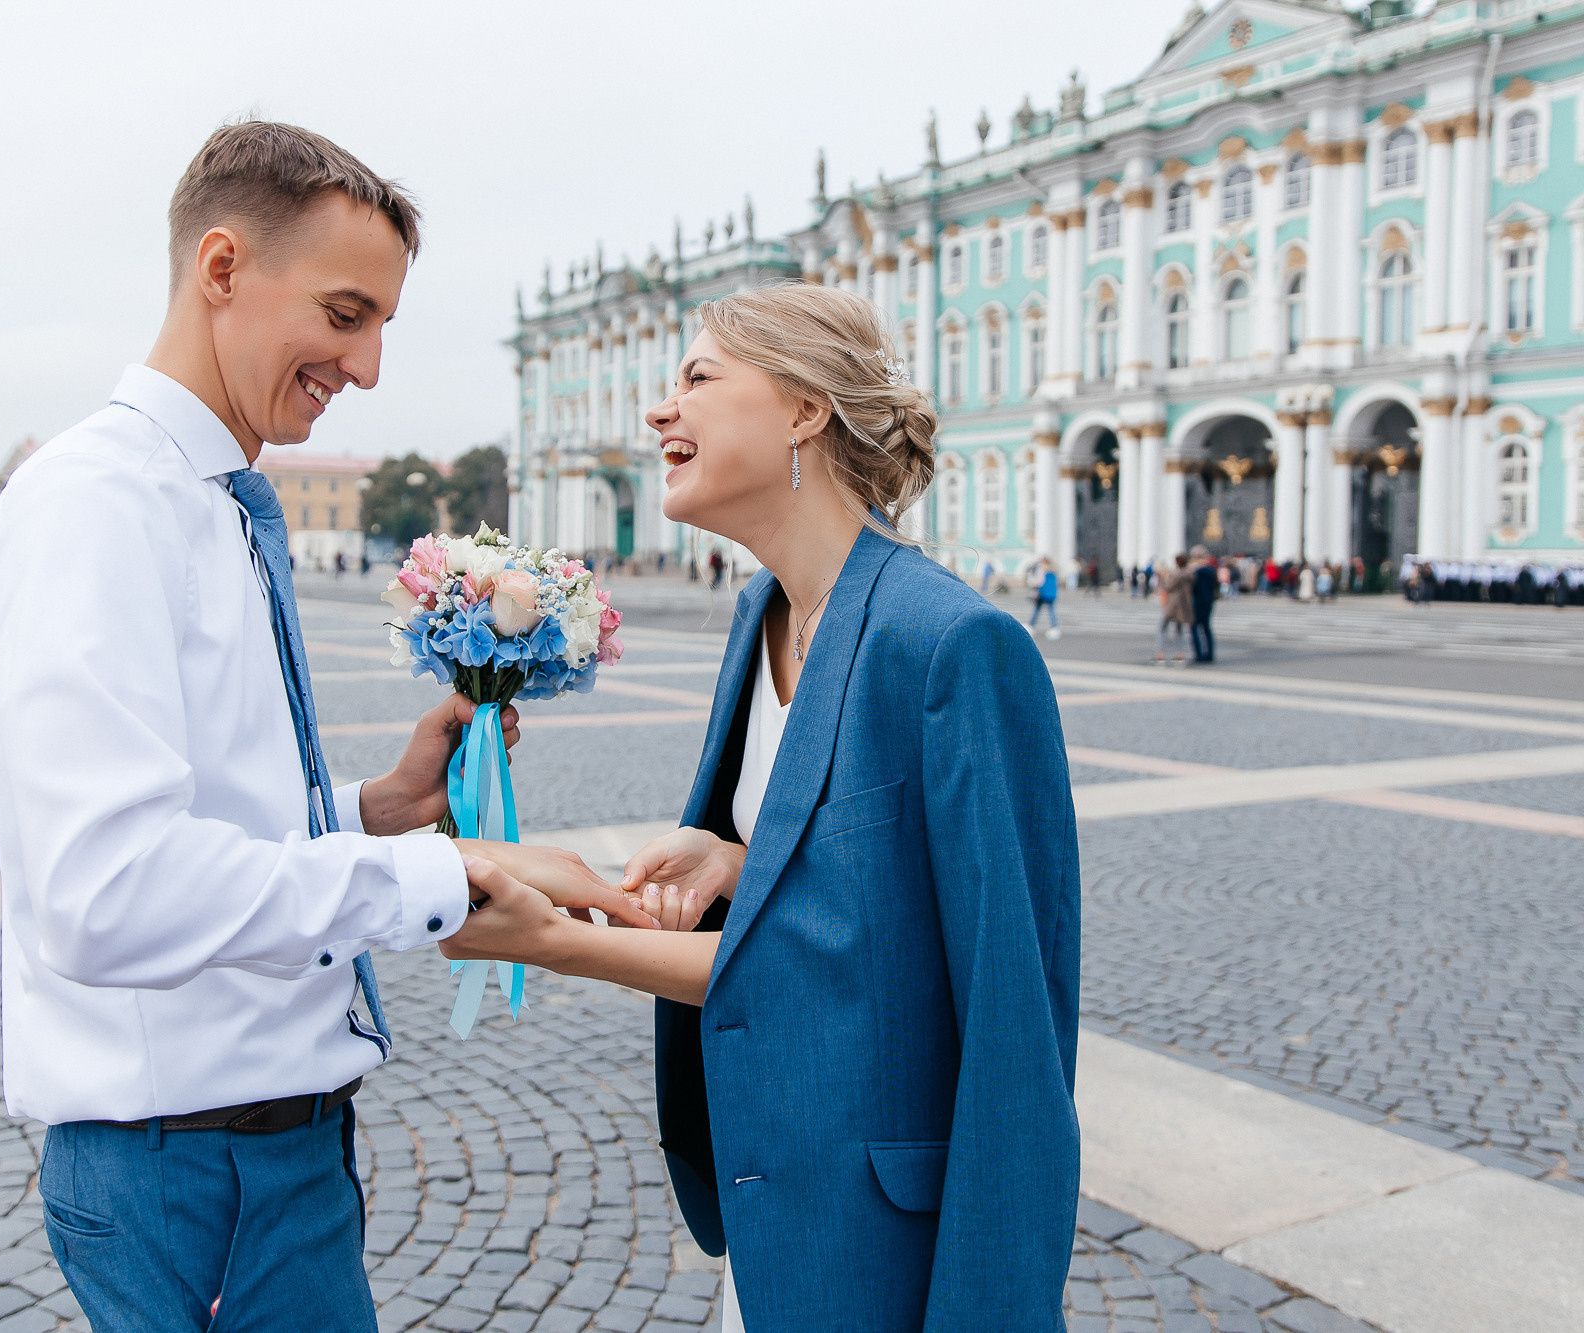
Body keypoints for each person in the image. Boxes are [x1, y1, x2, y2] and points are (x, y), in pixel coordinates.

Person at [0, 121, 650, 1333]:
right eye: (344, 314)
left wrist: (378, 804)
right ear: (221, 269)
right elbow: (106, 888)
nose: (368, 364)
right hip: (193, 1164)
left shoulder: (205, 497)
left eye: (380, 323)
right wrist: (449, 867)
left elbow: (199, 811)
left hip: (256, 1148)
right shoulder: (98, 507)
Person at [443, 284, 1080, 1329]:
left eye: (697, 378)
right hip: (772, 1217)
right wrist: (724, 864)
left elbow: (1015, 1034)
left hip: (888, 1254)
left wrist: (558, 936)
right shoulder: (761, 612)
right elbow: (833, 908)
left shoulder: (950, 645)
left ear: (803, 412)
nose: (659, 410)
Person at [1155, 552, 1192, 665]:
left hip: (1172, 606)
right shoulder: (1189, 574)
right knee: (1179, 630)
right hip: (1183, 606)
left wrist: (1162, 576)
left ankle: (1160, 653)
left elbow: (1167, 587)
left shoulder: (1177, 575)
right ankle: (1179, 653)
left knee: (1162, 628)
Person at [1189, 545, 1218, 663]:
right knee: (1206, 628)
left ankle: (1199, 654)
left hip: (1197, 602)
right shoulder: (1211, 570)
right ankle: (1209, 653)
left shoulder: (1197, 572)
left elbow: (1193, 588)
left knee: (1195, 628)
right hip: (1209, 602)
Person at [1029, 556, 1061, 639]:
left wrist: (1033, 584)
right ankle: (1054, 627)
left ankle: (1031, 625)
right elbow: (1056, 583)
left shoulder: (1041, 569)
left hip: (1042, 593)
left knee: (1037, 610)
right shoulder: (1053, 570)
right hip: (1051, 594)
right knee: (1051, 611)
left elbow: (1040, 582)